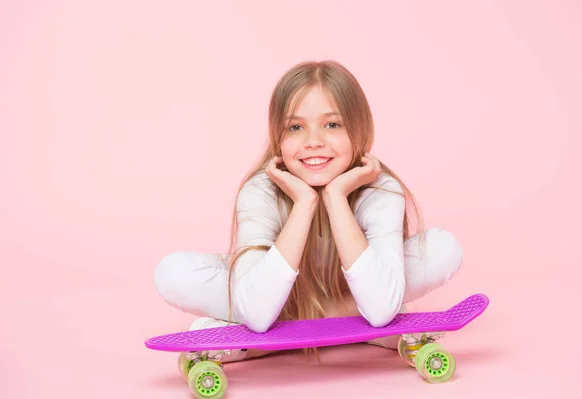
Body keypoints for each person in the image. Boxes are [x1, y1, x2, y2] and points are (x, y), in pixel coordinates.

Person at [154, 60, 463, 363]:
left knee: (441, 249)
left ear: (359, 129)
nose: (313, 142)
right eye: (296, 127)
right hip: (280, 297)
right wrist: (304, 202)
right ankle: (351, 323)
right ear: (278, 136)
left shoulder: (379, 190)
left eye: (332, 124)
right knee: (173, 273)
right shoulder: (260, 190)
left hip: (339, 296)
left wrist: (336, 197)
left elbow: (382, 307)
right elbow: (259, 314)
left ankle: (280, 337)